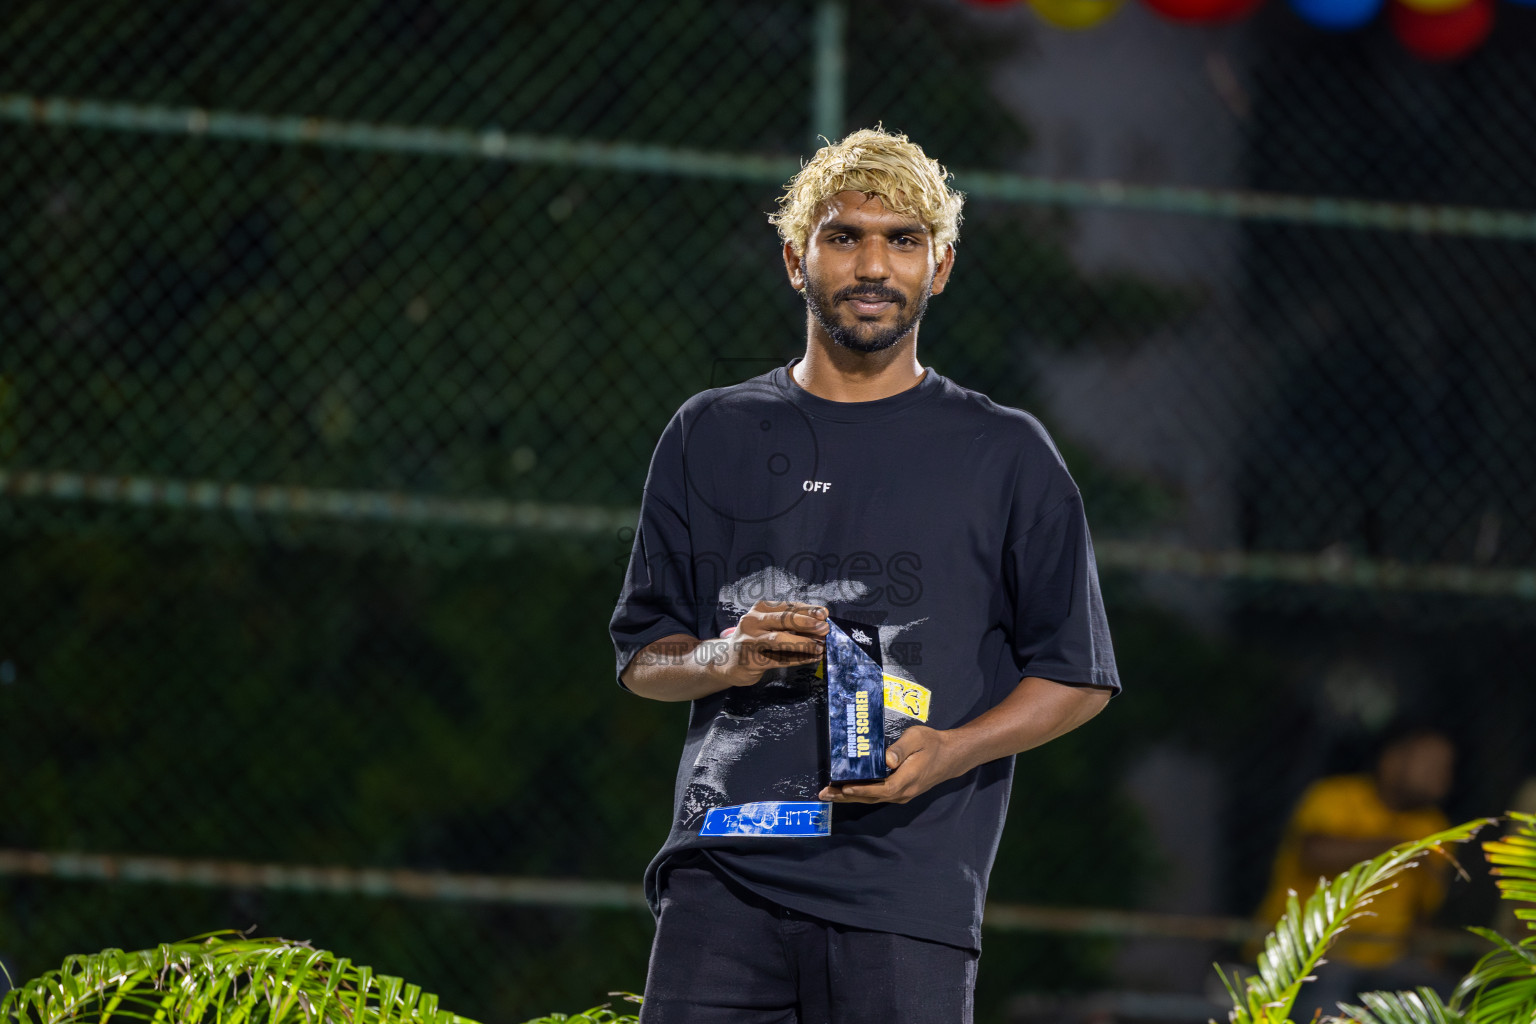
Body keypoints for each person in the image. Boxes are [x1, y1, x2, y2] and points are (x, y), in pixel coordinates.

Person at [609, 127, 1120, 1023]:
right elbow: (644, 661)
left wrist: (950, 751)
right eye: (844, 237)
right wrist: (726, 658)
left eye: (904, 239)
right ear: (794, 261)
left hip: (906, 895)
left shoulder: (1006, 453)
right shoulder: (711, 432)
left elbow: (1078, 677)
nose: (873, 264)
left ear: (943, 265)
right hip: (724, 872)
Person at [1252, 724, 1457, 1017]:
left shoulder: (1434, 826)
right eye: (1431, 764)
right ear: (1392, 761)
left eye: (1447, 767)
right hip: (1310, 951)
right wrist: (1397, 847)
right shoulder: (1335, 795)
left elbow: (1423, 910)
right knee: (1329, 993)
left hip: (1385, 964)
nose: (1442, 777)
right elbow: (1313, 855)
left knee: (1446, 998)